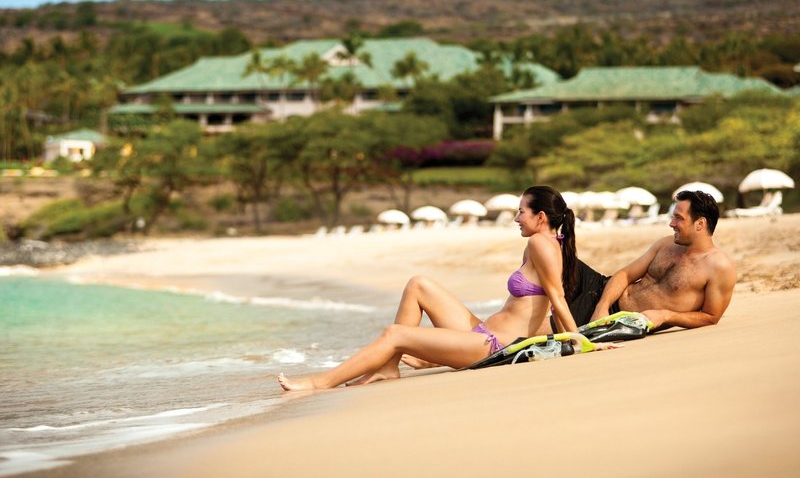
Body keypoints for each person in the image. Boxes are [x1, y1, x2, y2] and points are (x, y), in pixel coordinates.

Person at [277, 186, 590, 391]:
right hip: (483, 333)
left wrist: (580, 342)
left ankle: (320, 382)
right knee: (418, 285)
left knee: (395, 334)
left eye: (521, 211)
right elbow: (545, 309)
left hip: (494, 348)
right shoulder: (543, 245)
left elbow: (557, 299)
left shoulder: (541, 244)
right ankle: (387, 367)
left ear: (541, 217)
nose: (516, 218)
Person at [582, 190, 736, 331]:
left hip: (621, 322)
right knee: (563, 259)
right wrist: (602, 306)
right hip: (603, 293)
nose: (671, 223)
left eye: (679, 218)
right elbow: (626, 274)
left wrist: (666, 316)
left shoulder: (719, 266)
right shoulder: (667, 244)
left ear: (700, 224)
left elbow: (711, 317)